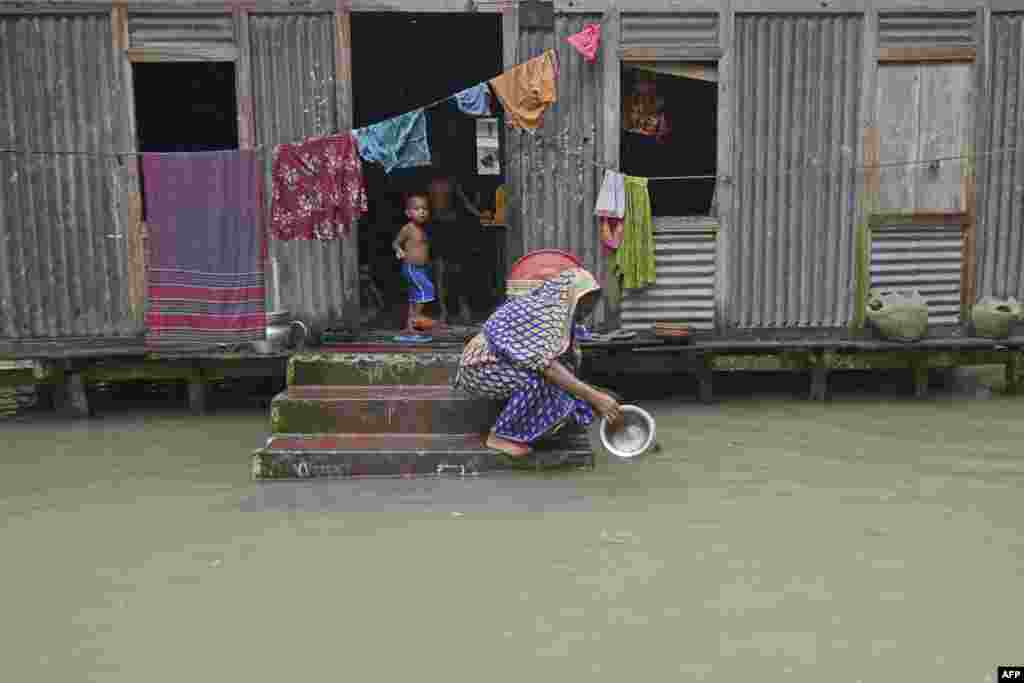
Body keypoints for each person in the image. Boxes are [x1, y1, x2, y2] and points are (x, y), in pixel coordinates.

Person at [453, 267, 622, 457]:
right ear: (573, 296)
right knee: (540, 380)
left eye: (591, 305)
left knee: (563, 384)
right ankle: (500, 437)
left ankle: (529, 431)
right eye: (585, 304)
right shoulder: (546, 313)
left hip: (503, 363)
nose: (588, 311)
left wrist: (591, 396)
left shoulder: (558, 311)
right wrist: (595, 397)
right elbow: (547, 366)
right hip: (481, 367)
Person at [427, 158, 483, 325]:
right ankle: (444, 311)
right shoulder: (429, 185)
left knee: (456, 271)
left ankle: (461, 307)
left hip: (451, 228)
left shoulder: (452, 183)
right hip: (438, 228)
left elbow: (466, 203)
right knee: (440, 272)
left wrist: (480, 214)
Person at [392, 193, 436, 333]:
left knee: (414, 297)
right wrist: (399, 250)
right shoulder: (408, 228)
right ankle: (416, 319)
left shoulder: (423, 229)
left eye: (424, 209)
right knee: (427, 289)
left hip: (422, 268)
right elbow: (395, 242)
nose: (422, 212)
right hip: (411, 267)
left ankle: (409, 327)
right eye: (417, 209)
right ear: (408, 213)